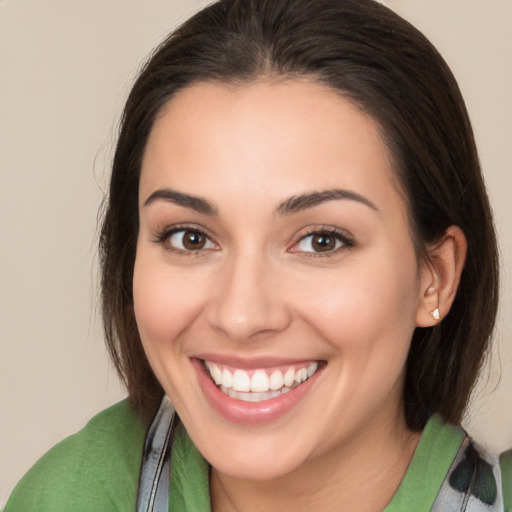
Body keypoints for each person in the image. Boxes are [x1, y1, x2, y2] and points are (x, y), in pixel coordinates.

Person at [5, 0, 511, 510]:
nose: (241, 316)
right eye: (191, 238)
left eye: (321, 241)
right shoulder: (70, 495)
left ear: (436, 277)